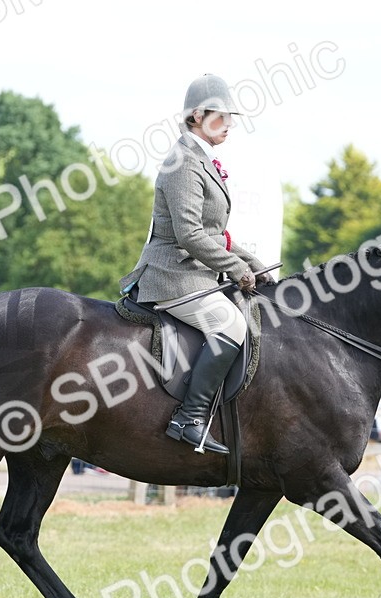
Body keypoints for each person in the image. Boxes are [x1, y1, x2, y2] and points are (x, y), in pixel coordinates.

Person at [118, 74, 272, 454]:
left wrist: (256, 264)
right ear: (197, 116)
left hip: (194, 271)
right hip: (172, 273)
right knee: (231, 324)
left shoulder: (202, 159)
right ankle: (190, 417)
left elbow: (216, 233)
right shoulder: (183, 162)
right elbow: (188, 235)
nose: (230, 124)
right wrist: (237, 270)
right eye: (222, 116)